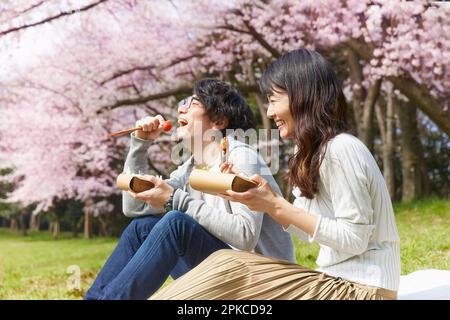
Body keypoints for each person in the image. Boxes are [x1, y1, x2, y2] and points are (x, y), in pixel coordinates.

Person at [151, 49, 401, 300]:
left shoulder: (340, 149)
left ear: (300, 96)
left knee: (230, 263)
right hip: (334, 281)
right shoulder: (310, 153)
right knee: (227, 263)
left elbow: (355, 239)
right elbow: (308, 231)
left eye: (273, 100)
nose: (269, 113)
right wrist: (265, 200)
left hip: (362, 290)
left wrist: (275, 205)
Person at [84, 78, 295, 300]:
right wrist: (140, 145)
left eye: (193, 104)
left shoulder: (241, 156)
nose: (181, 109)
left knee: (176, 223)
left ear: (219, 121)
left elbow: (245, 235)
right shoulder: (190, 167)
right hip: (226, 276)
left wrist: (176, 199)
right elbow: (134, 208)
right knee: (142, 227)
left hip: (263, 286)